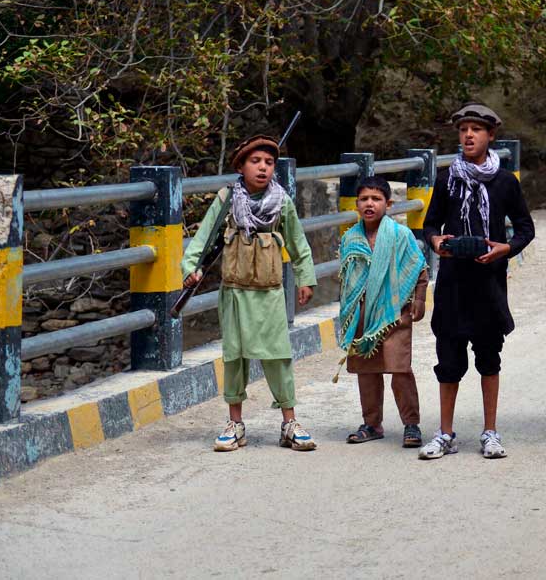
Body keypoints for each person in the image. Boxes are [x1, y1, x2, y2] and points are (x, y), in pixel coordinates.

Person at [182, 133, 318, 452]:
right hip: (235, 294)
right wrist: (191, 268)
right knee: (234, 358)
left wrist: (305, 279)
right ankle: (235, 424)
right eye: (255, 161)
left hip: (270, 293)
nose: (262, 168)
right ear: (241, 166)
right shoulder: (227, 199)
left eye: (269, 163)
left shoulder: (281, 201)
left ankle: (289, 423)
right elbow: (202, 239)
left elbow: (298, 244)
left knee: (278, 357)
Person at [420, 103, 535, 460]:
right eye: (463, 130)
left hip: (488, 283)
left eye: (476, 130)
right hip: (453, 282)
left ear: (491, 136)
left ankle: (490, 432)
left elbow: (526, 228)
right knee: (449, 361)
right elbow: (430, 225)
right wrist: (438, 243)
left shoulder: (504, 183)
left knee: (489, 358)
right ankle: (444, 433)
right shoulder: (446, 179)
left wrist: (505, 248)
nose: (468, 135)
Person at [337, 175, 429, 448]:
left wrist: (420, 299)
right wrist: (347, 313)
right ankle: (372, 423)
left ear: (388, 204)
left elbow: (418, 267)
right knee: (367, 371)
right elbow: (346, 280)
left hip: (394, 314)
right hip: (362, 317)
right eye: (364, 199)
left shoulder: (400, 235)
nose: (370, 204)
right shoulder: (350, 238)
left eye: (376, 199)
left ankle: (411, 424)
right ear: (356, 205)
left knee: (400, 370)